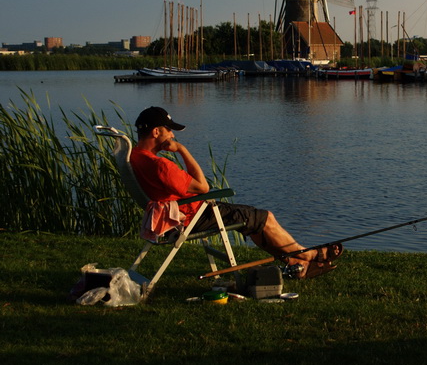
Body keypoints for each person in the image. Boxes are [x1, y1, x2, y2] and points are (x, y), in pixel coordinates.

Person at [129, 106, 342, 279]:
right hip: (192, 216)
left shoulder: (135, 156)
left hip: (176, 214)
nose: (173, 135)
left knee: (254, 222)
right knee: (265, 218)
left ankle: (297, 264)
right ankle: (309, 254)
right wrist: (183, 150)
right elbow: (203, 187)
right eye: (169, 129)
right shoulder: (161, 166)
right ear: (156, 132)